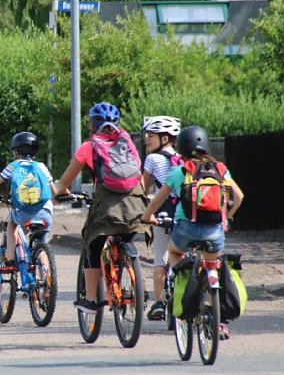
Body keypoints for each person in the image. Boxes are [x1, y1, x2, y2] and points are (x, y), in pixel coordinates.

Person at [141, 125, 244, 338]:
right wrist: (229, 214)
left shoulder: (180, 171)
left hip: (185, 229)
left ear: (180, 148)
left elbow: (157, 201)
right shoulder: (221, 169)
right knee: (211, 266)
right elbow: (240, 196)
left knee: (174, 253)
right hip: (215, 232)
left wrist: (147, 217)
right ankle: (219, 322)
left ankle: (185, 280)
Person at [54, 102, 149, 314]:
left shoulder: (89, 147)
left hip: (106, 206)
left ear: (91, 125)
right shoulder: (128, 144)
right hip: (136, 205)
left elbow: (66, 180)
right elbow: (138, 178)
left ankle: (89, 300)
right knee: (125, 238)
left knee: (93, 245)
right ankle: (138, 282)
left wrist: (60, 193)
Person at [0, 132, 57, 269]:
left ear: (16, 152)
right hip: (45, 212)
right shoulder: (42, 166)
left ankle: (10, 259)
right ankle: (46, 282)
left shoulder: (13, 166)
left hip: (22, 213)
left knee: (11, 224)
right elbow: (54, 193)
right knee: (41, 243)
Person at [140, 116, 182, 321]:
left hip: (162, 214)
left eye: (151, 136)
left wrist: (144, 213)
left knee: (160, 257)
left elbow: (143, 188)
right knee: (181, 255)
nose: (147, 139)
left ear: (164, 138)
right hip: (183, 215)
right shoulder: (184, 159)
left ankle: (158, 303)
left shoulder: (152, 159)